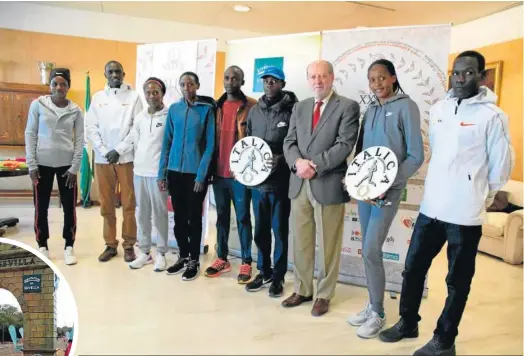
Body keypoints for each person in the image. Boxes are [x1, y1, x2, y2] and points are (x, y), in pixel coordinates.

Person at [379, 51, 514, 356]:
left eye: (468, 73)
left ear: (482, 76)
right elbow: (440, 155)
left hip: (464, 215)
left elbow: (501, 168)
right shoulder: (439, 108)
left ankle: (444, 340)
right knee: (412, 269)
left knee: (457, 281)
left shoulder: (493, 116)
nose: (460, 78)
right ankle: (408, 321)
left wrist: (480, 194)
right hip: (431, 208)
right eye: (456, 72)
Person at [345, 59, 424, 338]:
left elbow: (416, 156)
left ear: (392, 77)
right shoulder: (371, 109)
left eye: (381, 77)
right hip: (367, 192)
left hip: (388, 193)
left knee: (370, 249)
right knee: (369, 252)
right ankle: (372, 305)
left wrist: (388, 183)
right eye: (372, 79)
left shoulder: (406, 106)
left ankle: (377, 313)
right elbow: (364, 153)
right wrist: (358, 183)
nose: (377, 84)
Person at [282, 60, 360, 316]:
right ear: (308, 80)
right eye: (313, 77)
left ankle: (324, 294)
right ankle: (302, 289)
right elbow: (289, 141)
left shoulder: (347, 106)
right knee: (301, 241)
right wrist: (297, 163)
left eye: (323, 76)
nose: (318, 81)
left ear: (332, 77)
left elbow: (344, 144)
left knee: (328, 244)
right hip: (299, 184)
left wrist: (313, 165)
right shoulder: (300, 107)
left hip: (327, 183)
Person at [244, 66, 298, 297]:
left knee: (280, 232)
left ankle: (278, 277)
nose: (269, 84)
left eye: (273, 80)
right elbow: (247, 143)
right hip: (258, 184)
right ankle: (264, 271)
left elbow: (297, 143)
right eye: (265, 80)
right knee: (261, 232)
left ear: (282, 84)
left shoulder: (294, 110)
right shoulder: (255, 111)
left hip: (280, 183)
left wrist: (283, 159)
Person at [158, 71, 215, 281]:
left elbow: (210, 146)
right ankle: (182, 256)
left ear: (197, 86)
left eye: (190, 84)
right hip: (174, 172)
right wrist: (161, 174)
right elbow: (167, 143)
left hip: (194, 174)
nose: (186, 88)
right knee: (179, 218)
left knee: (194, 218)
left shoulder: (206, 111)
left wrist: (201, 176)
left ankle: (194, 260)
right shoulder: (174, 110)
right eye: (182, 84)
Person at [24, 68, 83, 265]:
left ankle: (69, 245)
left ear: (68, 86)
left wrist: (75, 167)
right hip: (42, 164)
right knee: (41, 207)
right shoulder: (38, 105)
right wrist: (31, 164)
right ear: (50, 86)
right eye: (55, 83)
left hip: (67, 166)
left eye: (63, 84)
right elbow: (30, 133)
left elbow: (80, 139)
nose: (59, 87)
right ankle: (42, 245)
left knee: (69, 208)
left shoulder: (75, 110)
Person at [204, 66, 257, 284]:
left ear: (242, 82)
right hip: (219, 174)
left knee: (244, 218)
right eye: (226, 77)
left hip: (240, 176)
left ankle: (246, 260)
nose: (230, 81)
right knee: (221, 218)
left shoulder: (252, 106)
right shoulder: (215, 106)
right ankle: (222, 258)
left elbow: (255, 141)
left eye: (235, 78)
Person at [86, 60, 143, 263]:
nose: (114, 74)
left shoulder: (134, 97)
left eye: (118, 71)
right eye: (110, 71)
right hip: (103, 160)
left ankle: (129, 245)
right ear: (105, 74)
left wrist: (118, 151)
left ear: (124, 73)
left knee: (129, 204)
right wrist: (104, 151)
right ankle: (110, 245)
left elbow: (137, 128)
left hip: (126, 158)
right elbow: (91, 127)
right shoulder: (98, 98)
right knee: (106, 204)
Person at [116, 77, 169, 271]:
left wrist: (166, 173)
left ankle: (162, 252)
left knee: (160, 213)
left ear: (162, 93)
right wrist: (117, 150)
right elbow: (131, 138)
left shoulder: (168, 115)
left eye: (155, 92)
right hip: (139, 172)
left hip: (158, 174)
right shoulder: (140, 117)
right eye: (148, 92)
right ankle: (145, 252)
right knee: (143, 214)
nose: (152, 95)